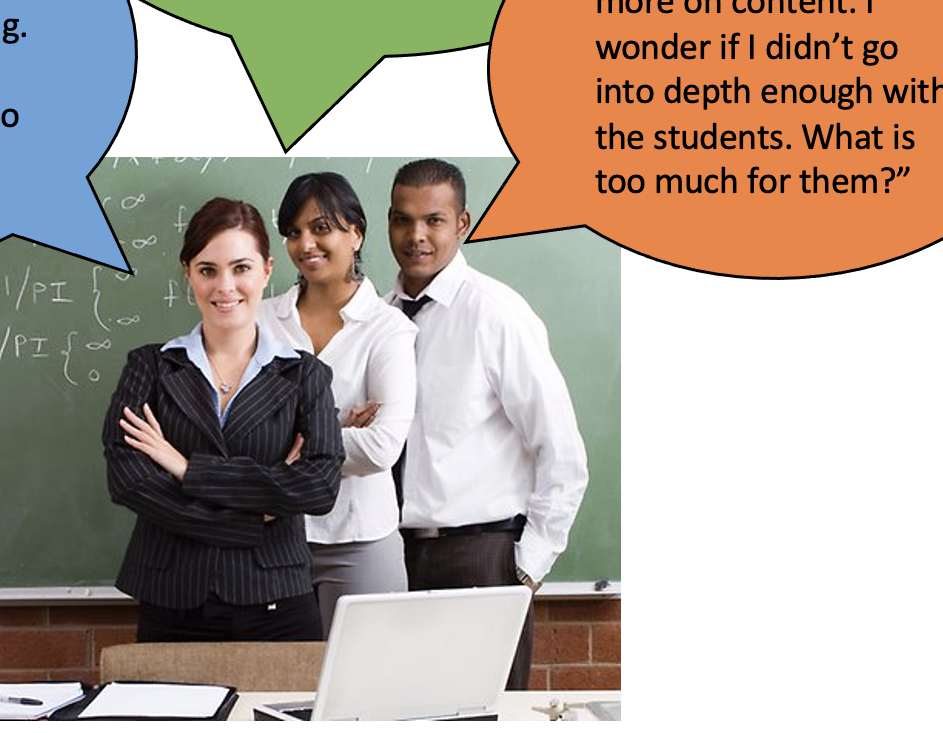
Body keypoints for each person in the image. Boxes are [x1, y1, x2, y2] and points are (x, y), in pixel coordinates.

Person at [102, 197, 344, 641]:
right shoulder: (149, 368)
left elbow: (319, 485)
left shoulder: (305, 374)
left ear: (267, 270)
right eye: (207, 269)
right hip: (171, 596)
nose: (225, 286)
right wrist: (253, 517)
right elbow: (130, 481)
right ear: (189, 274)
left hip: (276, 599)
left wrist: (187, 468)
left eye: (241, 268)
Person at [386, 159, 588, 689]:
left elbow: (562, 451)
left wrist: (527, 567)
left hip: (479, 558)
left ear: (463, 223)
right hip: (391, 560)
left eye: (433, 220)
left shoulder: (495, 313)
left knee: (484, 714)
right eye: (402, 220)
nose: (416, 236)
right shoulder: (380, 318)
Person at [261, 171, 417, 634]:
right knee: (274, 689)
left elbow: (383, 448)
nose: (305, 243)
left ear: (356, 232)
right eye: (293, 232)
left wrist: (289, 441)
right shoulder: (262, 322)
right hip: (270, 540)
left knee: (372, 688)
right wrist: (340, 424)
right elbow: (239, 437)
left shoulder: (388, 329)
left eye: (321, 227)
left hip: (360, 539)